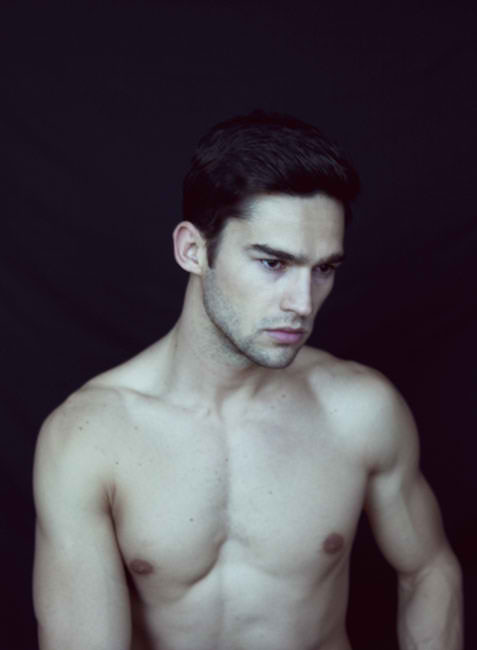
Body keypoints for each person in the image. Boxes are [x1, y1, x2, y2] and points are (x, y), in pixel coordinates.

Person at [32, 111, 463, 650]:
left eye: (323, 269)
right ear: (193, 250)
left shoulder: (360, 410)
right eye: (273, 263)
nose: (302, 303)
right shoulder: (90, 435)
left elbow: (428, 571)